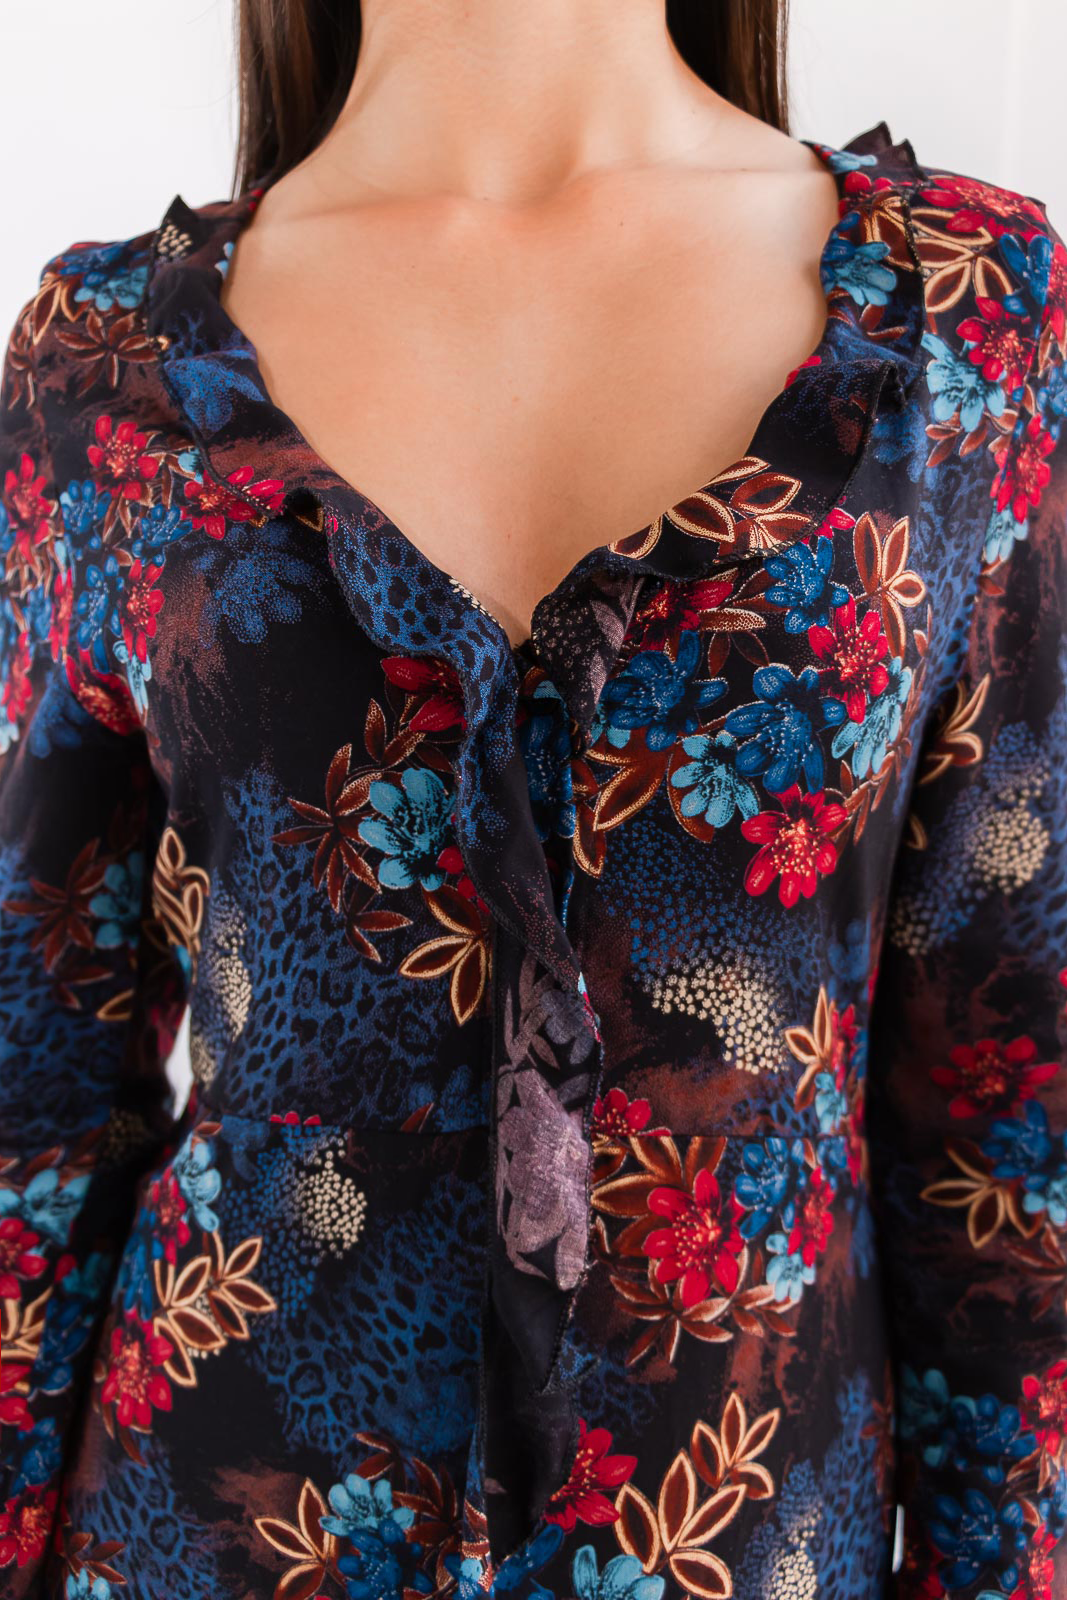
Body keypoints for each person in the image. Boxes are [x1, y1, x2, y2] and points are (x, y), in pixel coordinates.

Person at [1, 2, 1064, 1596]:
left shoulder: (965, 318)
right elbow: (37, 1104)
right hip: (210, 1529)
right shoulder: (102, 373)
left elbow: (1004, 1108)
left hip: (744, 1536)